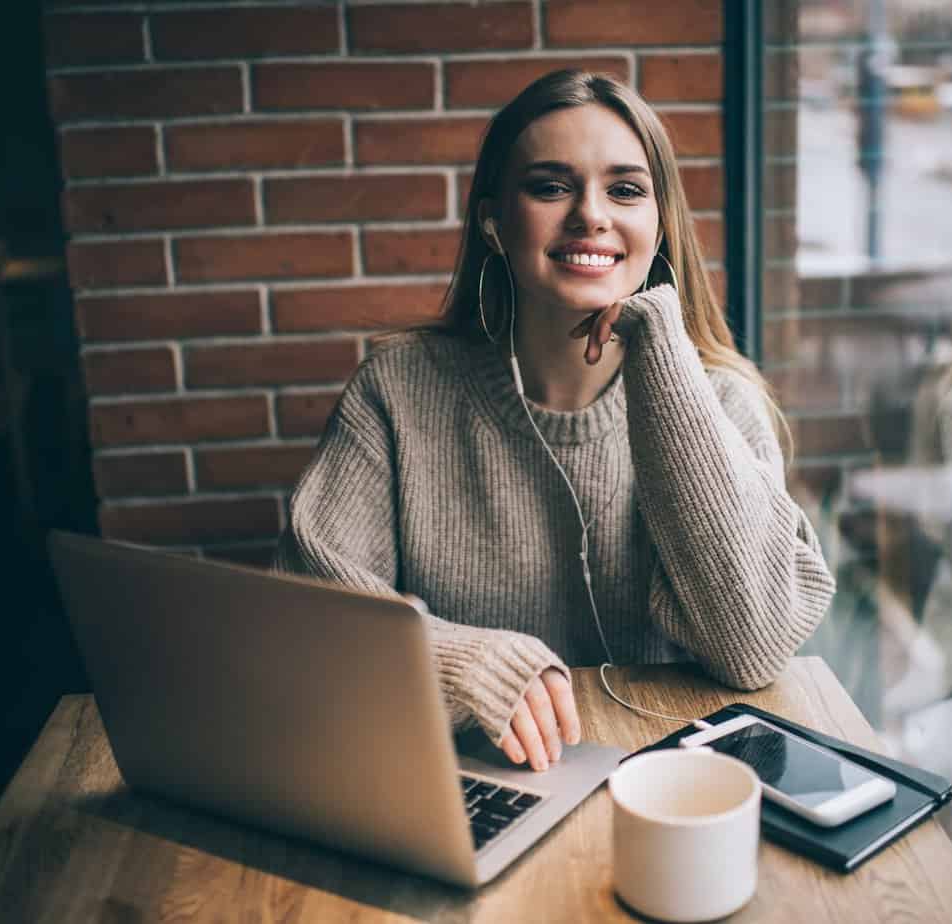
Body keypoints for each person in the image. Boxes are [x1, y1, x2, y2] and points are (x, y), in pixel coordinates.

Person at [274, 70, 835, 772]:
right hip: (463, 775)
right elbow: (307, 617)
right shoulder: (397, 389)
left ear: (659, 225)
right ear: (491, 220)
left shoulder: (721, 403)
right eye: (549, 186)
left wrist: (658, 338)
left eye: (625, 190)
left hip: (669, 790)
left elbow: (750, 646)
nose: (591, 216)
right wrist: (464, 664)